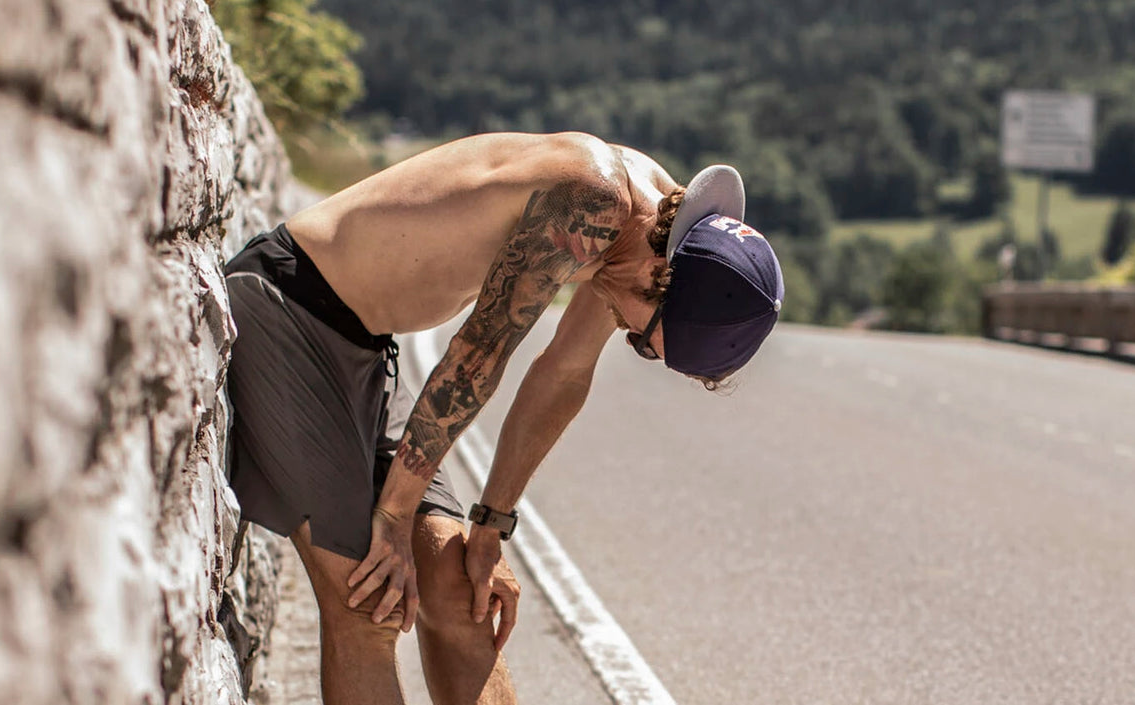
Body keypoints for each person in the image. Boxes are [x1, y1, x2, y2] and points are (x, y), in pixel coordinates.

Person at [223, 132, 784, 704]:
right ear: (659, 273)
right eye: (642, 340)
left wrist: (491, 526)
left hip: (363, 348)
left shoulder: (645, 236)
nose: (627, 334)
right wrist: (393, 515)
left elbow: (564, 374)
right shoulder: (591, 199)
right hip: (285, 308)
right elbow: (476, 356)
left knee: (459, 586)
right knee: (368, 603)